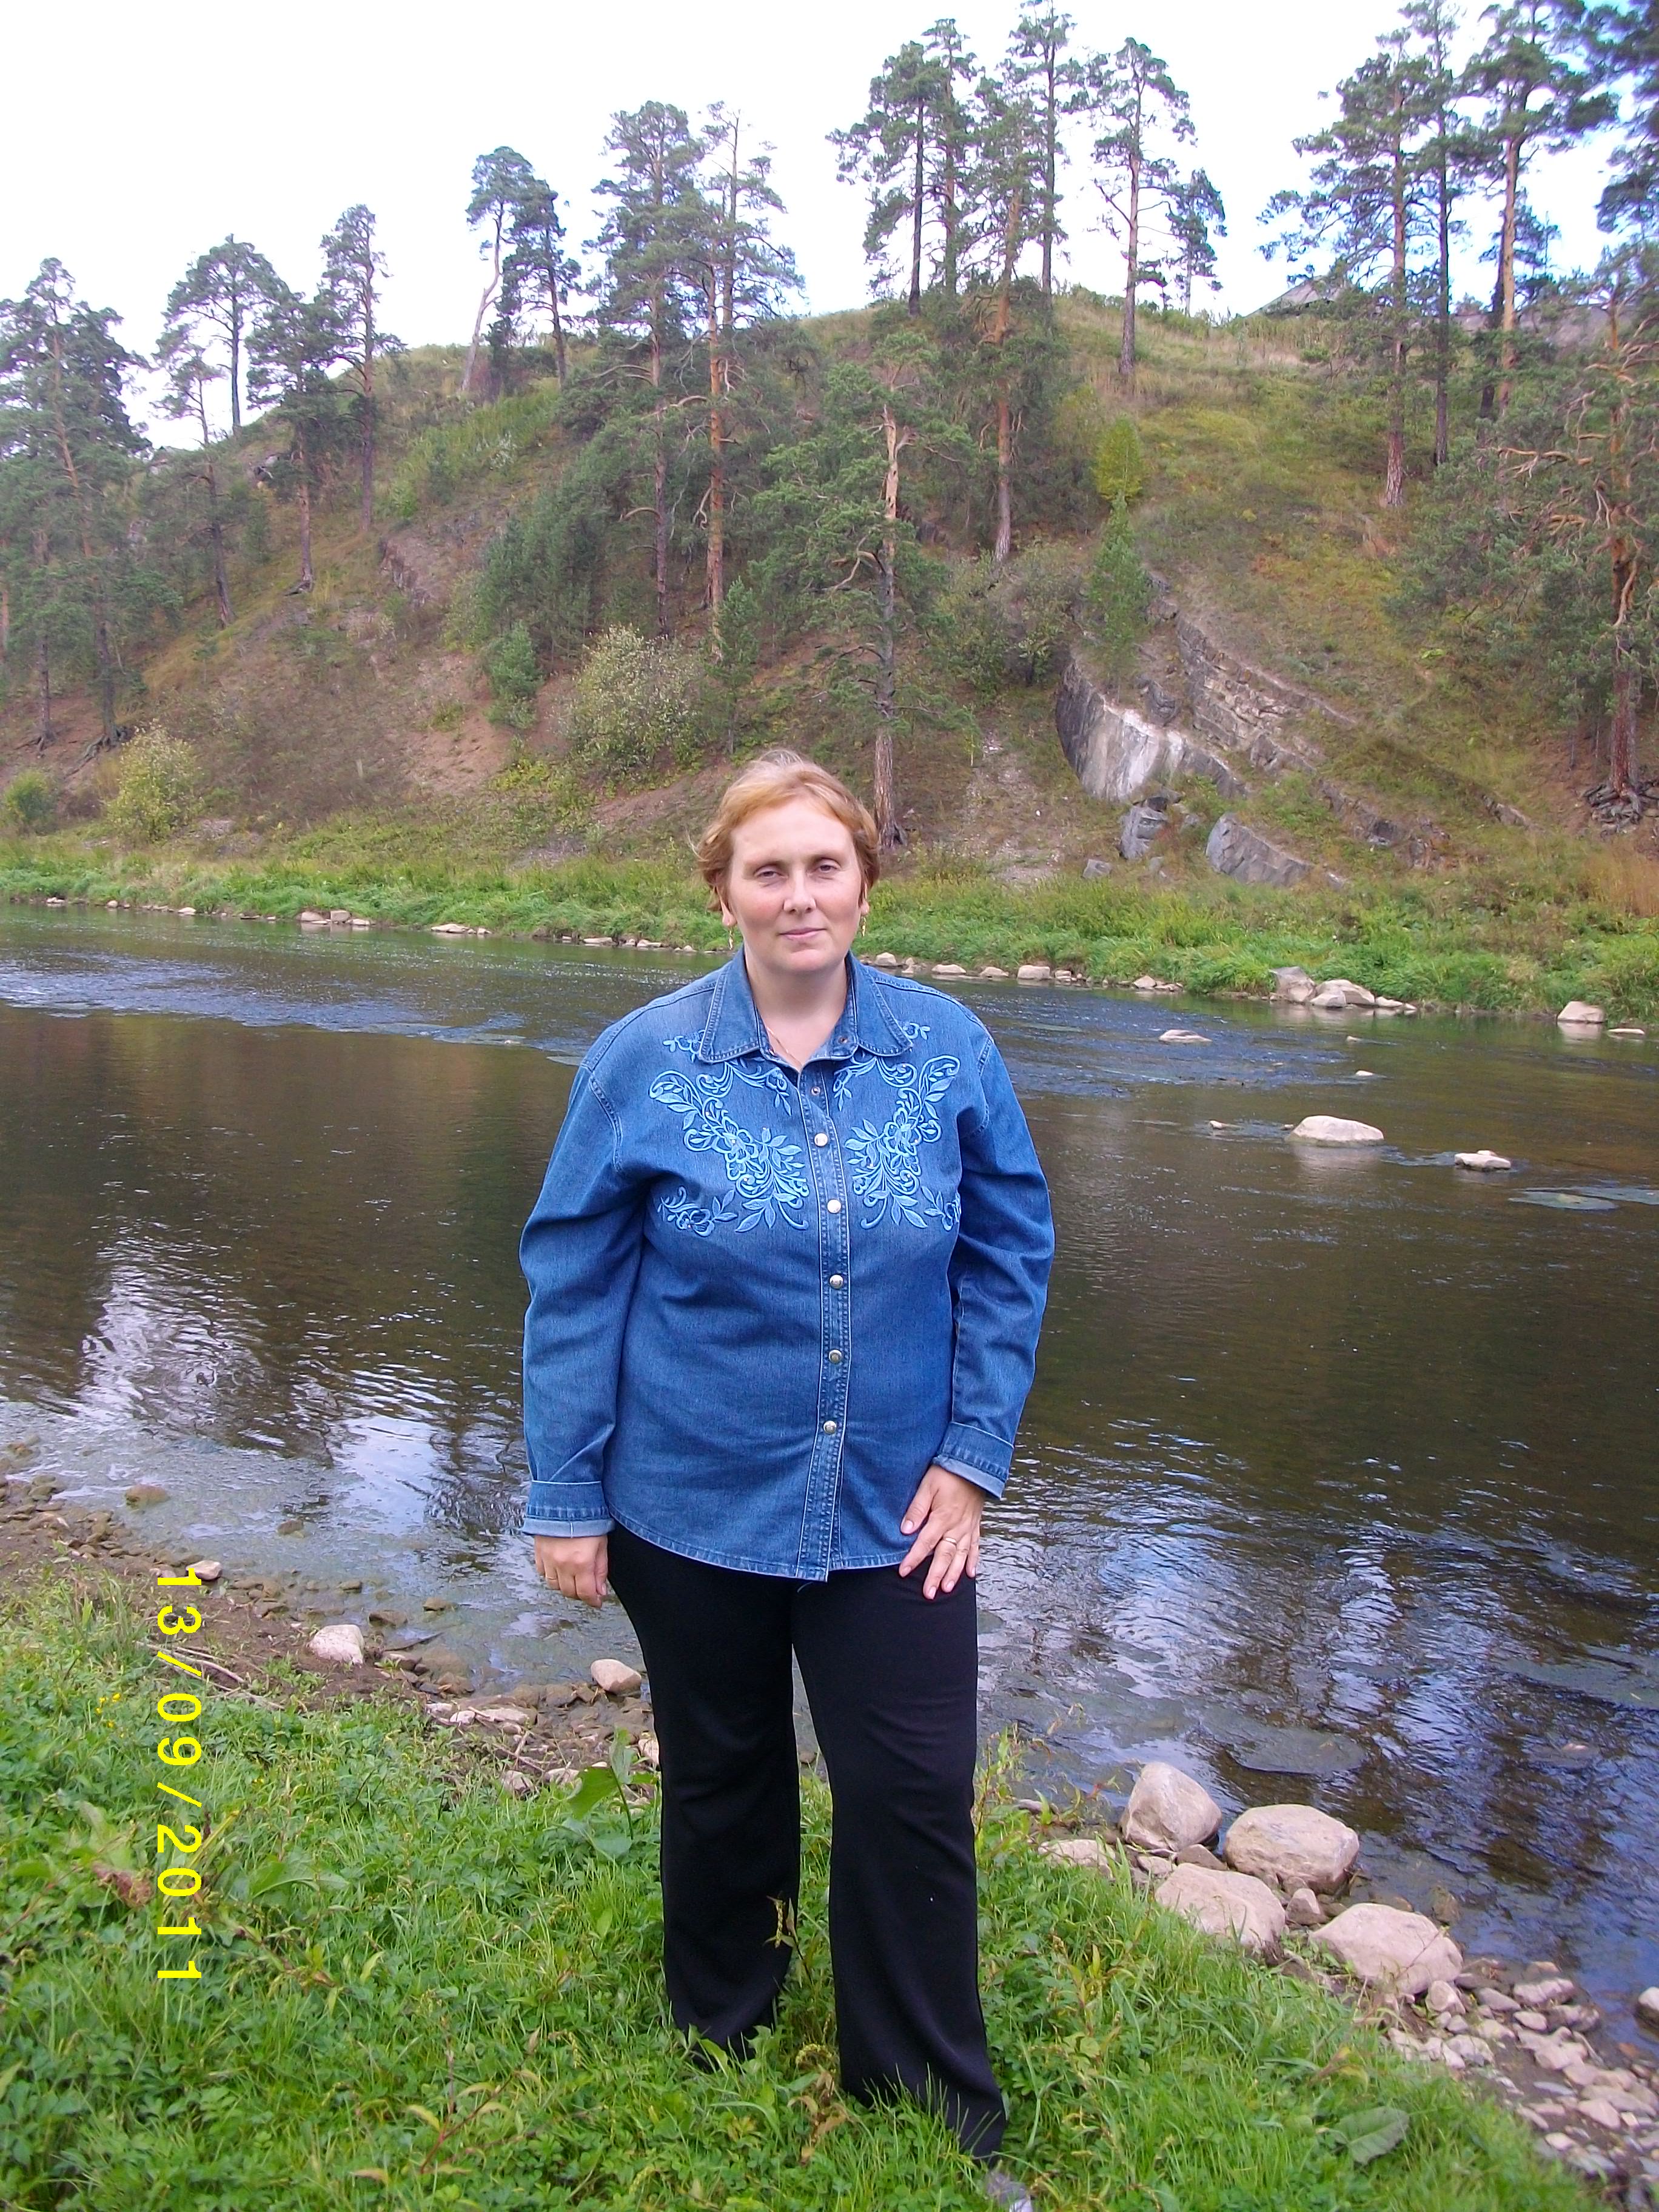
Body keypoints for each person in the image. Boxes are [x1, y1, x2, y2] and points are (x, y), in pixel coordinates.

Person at [519, 751, 1053, 2194]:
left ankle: (928, 2103)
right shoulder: (643, 1062)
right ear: (724, 893)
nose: (800, 895)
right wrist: (567, 1492)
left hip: (900, 1509)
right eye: (770, 870)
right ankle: (721, 2032)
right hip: (689, 1498)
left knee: (913, 1790)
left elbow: (1012, 1251)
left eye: (826, 866)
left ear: (866, 884)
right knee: (723, 1777)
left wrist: (974, 1458)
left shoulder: (948, 1050)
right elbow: (574, 1277)